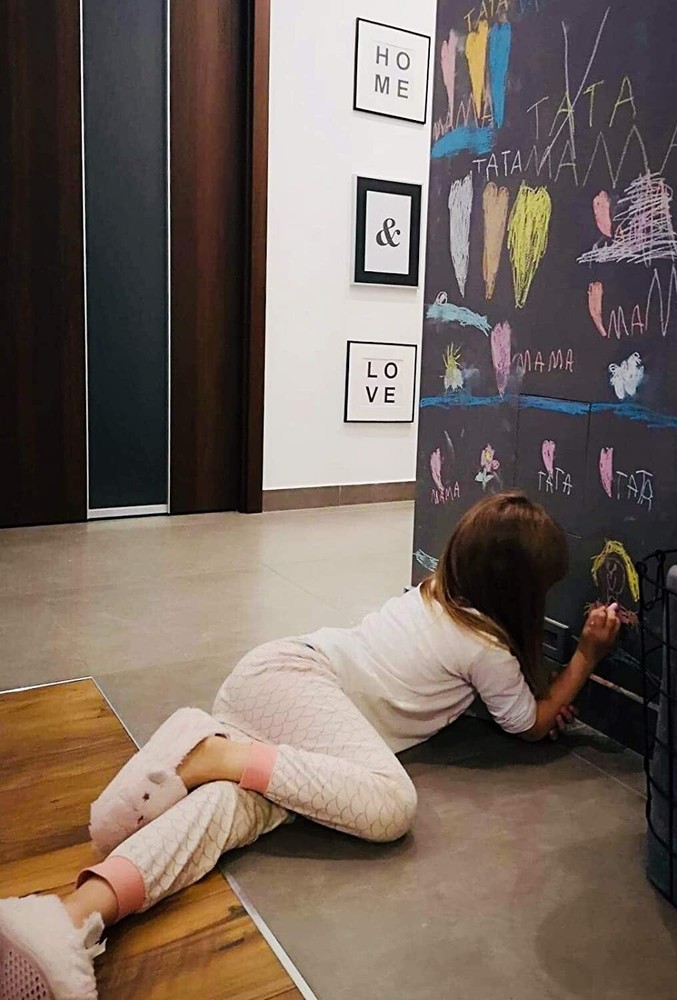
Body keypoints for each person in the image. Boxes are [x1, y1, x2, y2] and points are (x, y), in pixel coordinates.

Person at [0, 492, 620, 999]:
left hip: (281, 691)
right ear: (521, 595)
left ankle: (74, 917)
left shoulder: (433, 594)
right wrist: (586, 657)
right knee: (391, 805)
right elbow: (528, 725)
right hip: (301, 688)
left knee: (234, 812)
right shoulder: (486, 649)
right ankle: (213, 753)